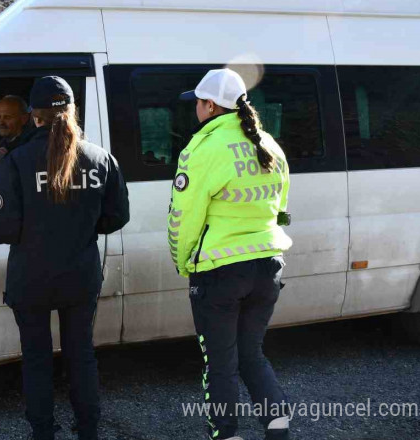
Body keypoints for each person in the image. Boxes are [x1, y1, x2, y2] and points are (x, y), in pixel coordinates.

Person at [0, 76, 129, 440]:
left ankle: (44, 433)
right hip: (80, 277)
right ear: (71, 112)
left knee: (37, 361)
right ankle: (88, 431)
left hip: (31, 279)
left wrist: (36, 233)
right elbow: (117, 216)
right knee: (81, 356)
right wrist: (79, 229)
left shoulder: (16, 161)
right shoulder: (101, 158)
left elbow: (1, 230)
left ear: (34, 115)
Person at [169, 68, 293, 440]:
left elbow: (183, 216)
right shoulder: (269, 144)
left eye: (198, 103)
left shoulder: (202, 149)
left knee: (220, 362)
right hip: (269, 265)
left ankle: (226, 434)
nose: (196, 109)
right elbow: (281, 208)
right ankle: (278, 424)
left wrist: (183, 259)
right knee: (251, 352)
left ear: (208, 105)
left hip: (220, 271)